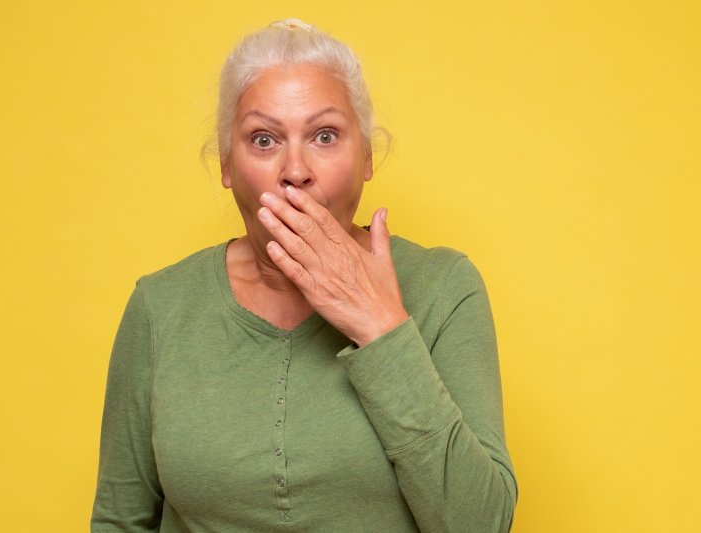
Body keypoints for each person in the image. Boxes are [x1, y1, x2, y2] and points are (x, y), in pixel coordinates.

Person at [91, 19, 517, 532]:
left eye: (325, 135)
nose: (295, 170)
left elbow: (482, 524)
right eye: (265, 139)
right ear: (227, 164)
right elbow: (120, 520)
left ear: (367, 156)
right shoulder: (159, 308)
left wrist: (381, 327)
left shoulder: (446, 287)